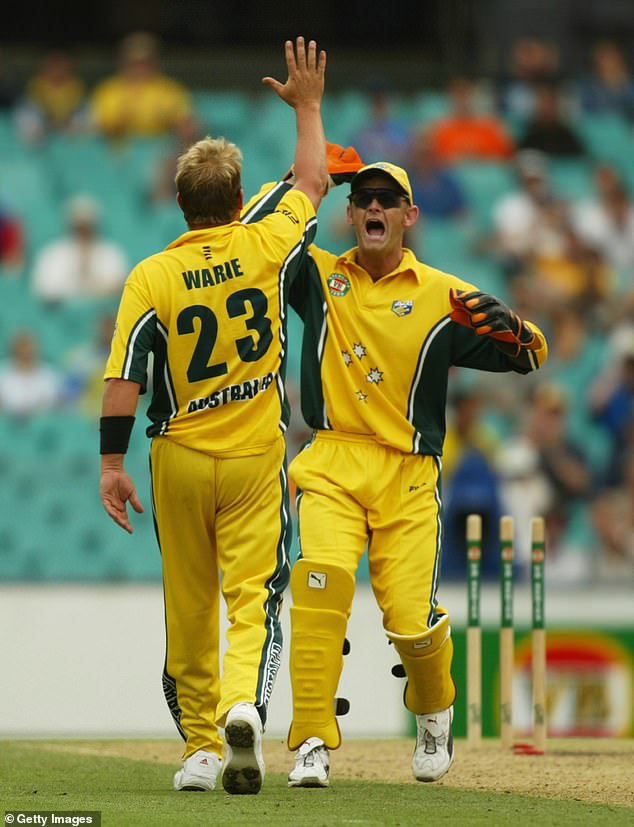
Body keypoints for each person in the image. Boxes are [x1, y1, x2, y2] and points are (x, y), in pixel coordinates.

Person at [243, 157, 547, 786]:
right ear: (349, 214)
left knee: (410, 622)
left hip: (409, 475)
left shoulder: (442, 294)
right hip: (330, 461)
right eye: (363, 199)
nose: (374, 206)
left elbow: (530, 354)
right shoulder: (317, 275)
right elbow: (255, 235)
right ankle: (311, 744)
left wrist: (517, 330)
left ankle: (435, 709)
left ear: (410, 215)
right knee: (319, 585)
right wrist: (305, 175)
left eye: (387, 199)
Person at [98, 36, 327, 796]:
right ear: (236, 201)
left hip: (178, 460)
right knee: (252, 593)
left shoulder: (151, 275)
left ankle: (201, 745)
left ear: (180, 204)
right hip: (256, 457)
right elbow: (315, 178)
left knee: (188, 600)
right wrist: (309, 107)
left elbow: (125, 378)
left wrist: (109, 464)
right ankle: (242, 706)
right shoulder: (265, 243)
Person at [90, 32, 193, 140]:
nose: (139, 68)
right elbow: (102, 128)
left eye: (145, 62)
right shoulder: (108, 90)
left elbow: (187, 127)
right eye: (133, 63)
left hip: (159, 149)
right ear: (123, 62)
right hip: (116, 151)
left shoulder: (170, 89)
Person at [30, 194, 128, 304]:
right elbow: (44, 291)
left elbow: (118, 287)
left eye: (87, 227)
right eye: (78, 227)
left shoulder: (110, 252)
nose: (83, 233)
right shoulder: (53, 254)